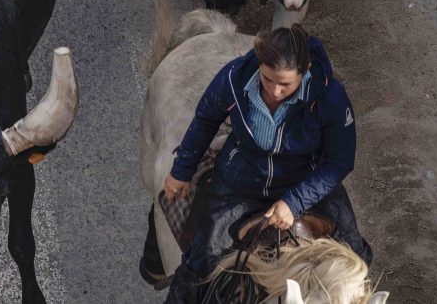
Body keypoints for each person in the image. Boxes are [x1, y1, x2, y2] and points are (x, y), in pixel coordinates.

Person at [154, 25, 372, 303]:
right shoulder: (235, 77)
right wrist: (182, 170)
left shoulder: (330, 97)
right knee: (201, 261)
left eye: (286, 84)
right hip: (240, 183)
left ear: (305, 70)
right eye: (267, 79)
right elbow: (206, 119)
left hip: (304, 181)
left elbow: (340, 160)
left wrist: (293, 202)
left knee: (356, 256)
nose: (275, 91)